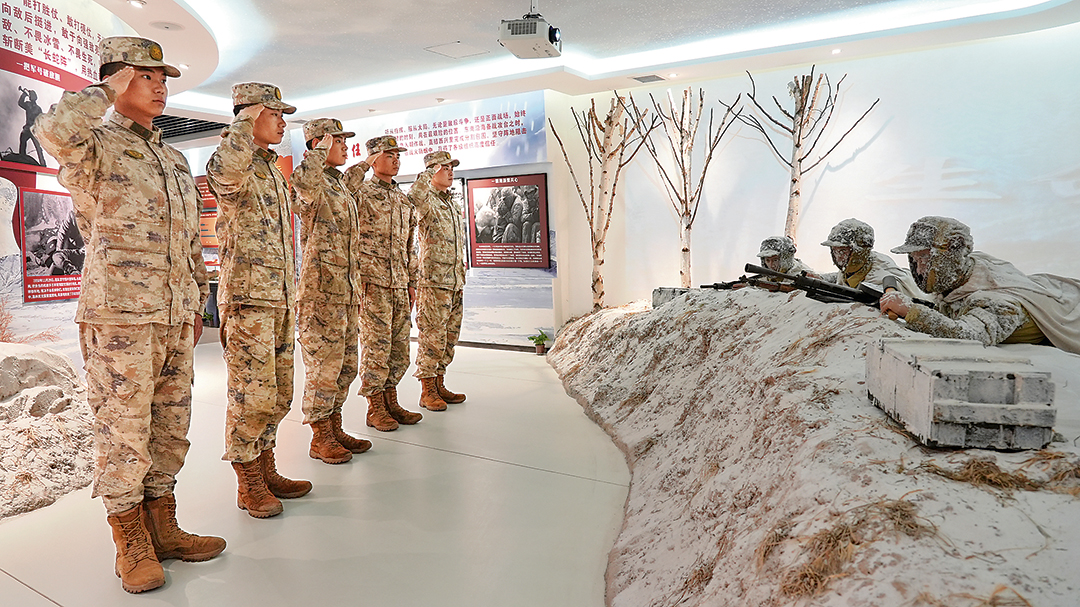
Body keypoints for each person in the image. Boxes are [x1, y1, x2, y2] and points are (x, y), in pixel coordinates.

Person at [32, 36, 224, 594]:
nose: (161, 87)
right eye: (146, 76)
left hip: (173, 313)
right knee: (124, 429)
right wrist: (103, 91)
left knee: (170, 425)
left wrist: (197, 300)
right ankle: (130, 541)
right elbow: (52, 132)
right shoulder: (95, 145)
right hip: (120, 314)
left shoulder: (173, 158)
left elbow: (189, 241)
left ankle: (163, 526)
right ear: (117, 79)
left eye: (163, 78)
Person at [206, 83, 310, 518]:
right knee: (251, 395)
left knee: (278, 392)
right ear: (249, 115)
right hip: (249, 300)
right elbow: (225, 173)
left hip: (279, 296)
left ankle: (266, 467)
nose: (283, 122)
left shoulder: (271, 169)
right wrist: (242, 124)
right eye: (274, 113)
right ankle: (247, 480)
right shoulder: (234, 162)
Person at [290, 118, 372, 463]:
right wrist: (318, 149)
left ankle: (335, 426)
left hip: (345, 292)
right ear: (318, 144)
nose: (344, 146)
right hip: (320, 295)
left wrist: (368, 161)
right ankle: (319, 435)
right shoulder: (311, 184)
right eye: (338, 141)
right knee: (323, 368)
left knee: (345, 366)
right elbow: (302, 181)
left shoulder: (338, 185)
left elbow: (353, 177)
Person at [880, 216, 1080, 353]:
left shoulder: (998, 300)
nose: (919, 268)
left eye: (924, 258)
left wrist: (911, 312)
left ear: (950, 256)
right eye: (915, 259)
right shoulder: (967, 270)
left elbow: (970, 335)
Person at [344, 136, 423, 431]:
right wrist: (364, 164)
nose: (396, 160)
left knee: (399, 349)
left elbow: (409, 244)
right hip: (372, 283)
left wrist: (412, 281)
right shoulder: (361, 193)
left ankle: (391, 400)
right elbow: (345, 188)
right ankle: (374, 406)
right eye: (389, 155)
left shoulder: (402, 199)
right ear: (374, 159)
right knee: (376, 347)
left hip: (399, 283)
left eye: (398, 155)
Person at [409, 150, 468, 411]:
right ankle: (427, 390)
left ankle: (439, 382)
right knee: (432, 337)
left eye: (451, 167)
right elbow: (413, 197)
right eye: (444, 167)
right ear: (432, 171)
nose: (450, 171)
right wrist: (426, 174)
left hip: (454, 281)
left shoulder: (452, 203)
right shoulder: (427, 200)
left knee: (449, 337)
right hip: (434, 282)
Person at [819, 218, 923, 297]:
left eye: (843, 251)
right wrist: (822, 279)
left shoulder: (882, 279)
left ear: (859, 252)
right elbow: (844, 278)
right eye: (834, 251)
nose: (838, 257)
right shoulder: (862, 265)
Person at [18, 87, 46, 166]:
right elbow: (20, 103)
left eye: (31, 96)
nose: (31, 97)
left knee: (37, 147)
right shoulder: (29, 105)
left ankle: (42, 163)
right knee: (23, 141)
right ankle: (22, 157)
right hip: (29, 129)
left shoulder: (37, 108)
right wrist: (24, 95)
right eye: (30, 96)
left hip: (34, 130)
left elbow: (41, 120)